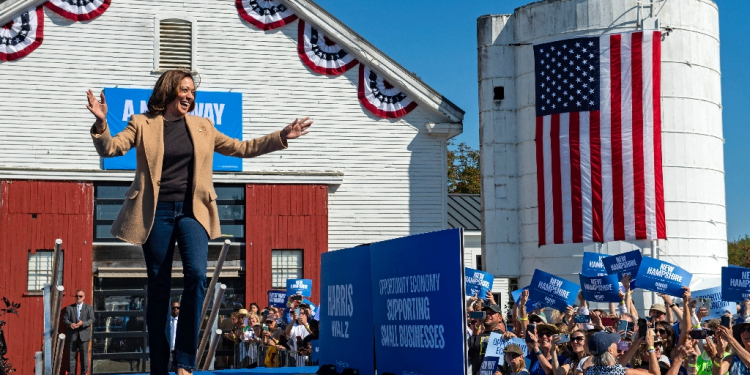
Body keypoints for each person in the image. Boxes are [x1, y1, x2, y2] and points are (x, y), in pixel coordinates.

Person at [86, 69, 312, 375]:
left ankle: (184, 361)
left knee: (196, 275)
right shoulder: (142, 123)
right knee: (159, 288)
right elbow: (111, 149)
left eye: (192, 90)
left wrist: (281, 136)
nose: (189, 95)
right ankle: (159, 365)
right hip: (156, 213)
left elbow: (241, 148)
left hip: (193, 211)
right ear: (168, 91)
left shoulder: (203, 126)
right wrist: (101, 122)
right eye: (184, 89)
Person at [581, 331, 655, 375]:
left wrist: (636, 344)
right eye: (613, 342)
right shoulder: (625, 372)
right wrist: (651, 347)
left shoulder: (589, 371)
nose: (616, 344)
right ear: (610, 350)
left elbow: (617, 366)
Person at [468, 304, 507, 375]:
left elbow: (516, 364)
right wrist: (477, 325)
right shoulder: (475, 338)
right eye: (485, 313)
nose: (488, 315)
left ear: (500, 318)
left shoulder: (506, 338)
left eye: (491, 313)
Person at [63, 289, 95, 375]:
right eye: (77, 296)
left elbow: (92, 319)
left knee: (84, 358)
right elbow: (65, 319)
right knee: (71, 358)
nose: (78, 297)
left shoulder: (89, 308)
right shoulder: (69, 308)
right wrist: (70, 324)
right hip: (72, 336)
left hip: (84, 336)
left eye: (80, 296)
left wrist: (82, 323)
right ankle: (71, 373)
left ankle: (84, 373)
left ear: (84, 297)